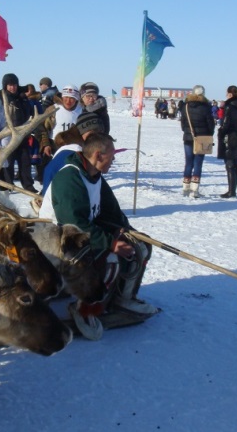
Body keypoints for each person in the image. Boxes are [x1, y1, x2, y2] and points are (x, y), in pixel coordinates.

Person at [38, 132, 158, 318]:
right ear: (98, 156)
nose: (114, 160)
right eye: (112, 156)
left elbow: (111, 211)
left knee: (140, 245)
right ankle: (86, 308)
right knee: (110, 258)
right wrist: (110, 243)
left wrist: (126, 231)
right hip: (58, 240)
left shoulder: (94, 175)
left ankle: (123, 298)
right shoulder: (70, 178)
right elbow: (73, 223)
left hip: (81, 234)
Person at [0, 73, 36, 192]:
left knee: (25, 161)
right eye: (9, 85)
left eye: (14, 84)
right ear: (5, 86)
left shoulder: (22, 98)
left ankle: (28, 186)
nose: (12, 87)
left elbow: (29, 113)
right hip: (8, 135)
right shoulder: (1, 99)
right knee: (8, 163)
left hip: (22, 135)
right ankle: (8, 185)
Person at [179, 84, 215, 198]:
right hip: (202, 138)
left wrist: (187, 131)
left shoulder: (186, 106)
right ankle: (194, 190)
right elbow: (211, 124)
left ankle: (185, 187)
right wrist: (209, 134)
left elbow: (183, 124)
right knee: (198, 163)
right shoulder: (205, 107)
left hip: (188, 138)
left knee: (189, 162)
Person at [216, 85, 237, 198]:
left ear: (230, 94)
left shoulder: (229, 105)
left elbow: (226, 122)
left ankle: (231, 191)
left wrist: (221, 132)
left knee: (229, 164)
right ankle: (233, 189)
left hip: (229, 136)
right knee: (235, 163)